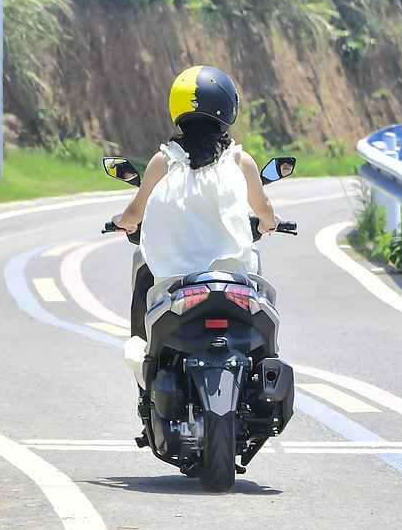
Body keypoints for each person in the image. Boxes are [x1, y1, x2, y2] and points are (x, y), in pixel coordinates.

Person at [112, 65, 280, 339]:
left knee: (147, 297)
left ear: (177, 110)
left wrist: (121, 222)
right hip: (232, 279)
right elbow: (264, 209)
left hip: (175, 283)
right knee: (263, 308)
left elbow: (134, 212)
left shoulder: (164, 161)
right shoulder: (239, 161)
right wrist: (271, 224)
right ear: (228, 109)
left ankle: (145, 354)